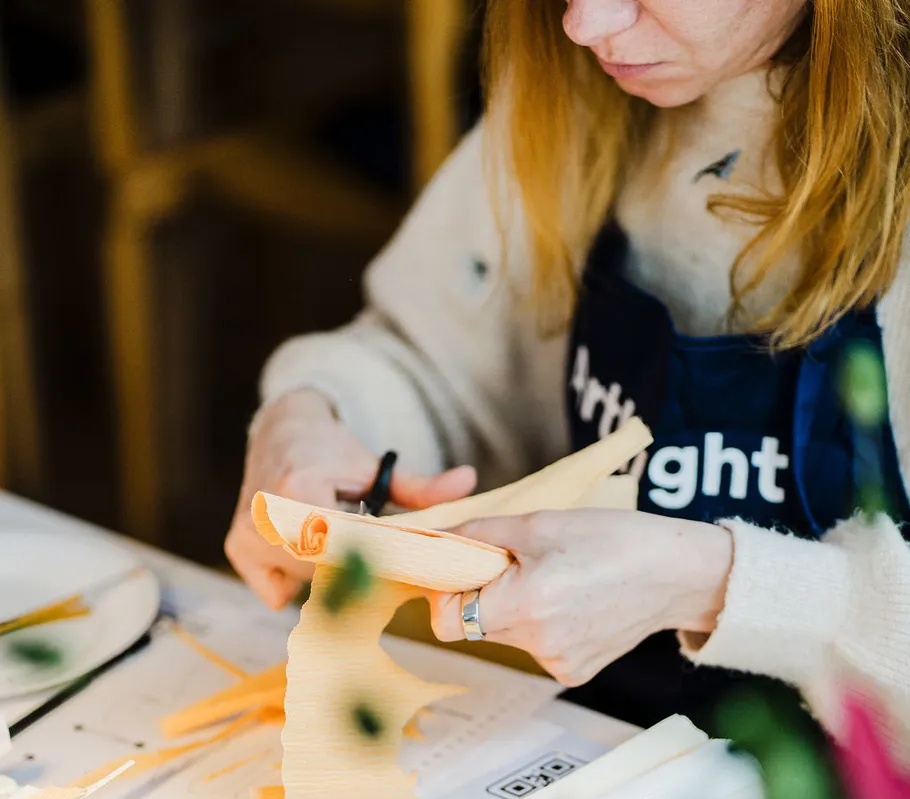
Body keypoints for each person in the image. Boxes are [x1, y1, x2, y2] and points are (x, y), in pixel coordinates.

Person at [226, 0, 910, 733]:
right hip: (611, 753)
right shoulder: (585, 91)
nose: (583, 24)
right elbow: (436, 361)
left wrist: (712, 584)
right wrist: (318, 416)